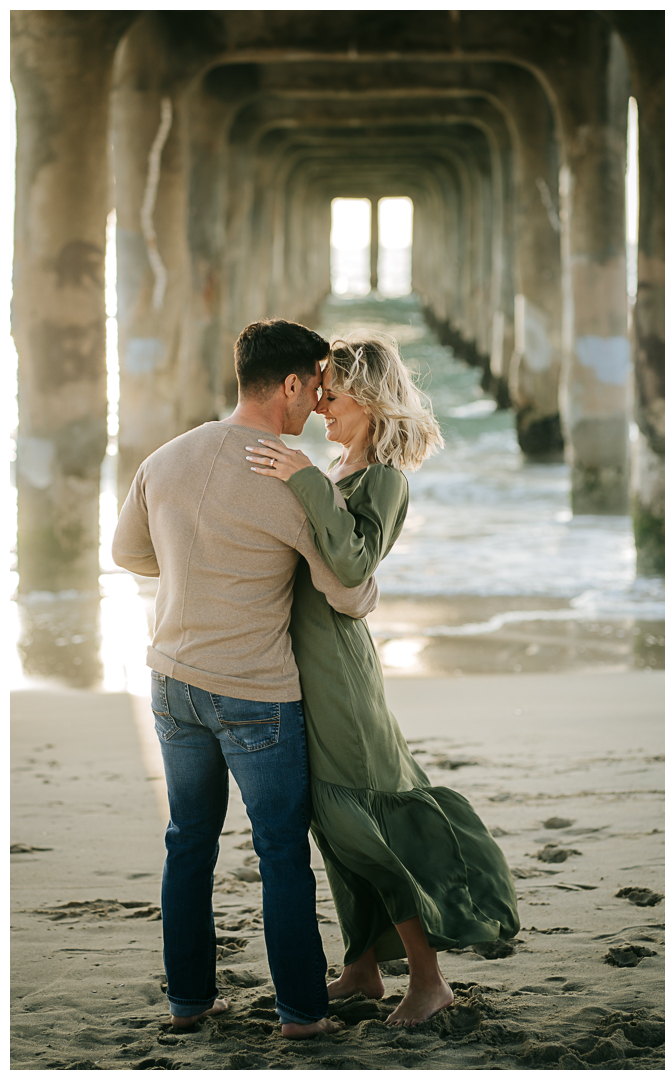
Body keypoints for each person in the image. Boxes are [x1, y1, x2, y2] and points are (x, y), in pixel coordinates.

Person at [112, 319, 380, 1039]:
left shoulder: (166, 457)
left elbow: (128, 552)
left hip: (170, 682)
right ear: (290, 384)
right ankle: (301, 1014)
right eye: (316, 386)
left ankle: (189, 1003)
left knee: (187, 842)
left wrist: (200, 578)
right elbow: (347, 593)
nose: (317, 402)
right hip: (256, 694)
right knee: (281, 850)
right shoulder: (287, 476)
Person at [245, 331, 521, 1028]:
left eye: (332, 397)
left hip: (339, 671)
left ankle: (428, 982)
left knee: (361, 821)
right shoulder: (341, 466)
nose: (321, 409)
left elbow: (352, 562)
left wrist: (301, 476)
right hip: (305, 663)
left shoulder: (383, 479)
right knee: (331, 827)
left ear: (367, 400)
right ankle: (362, 969)